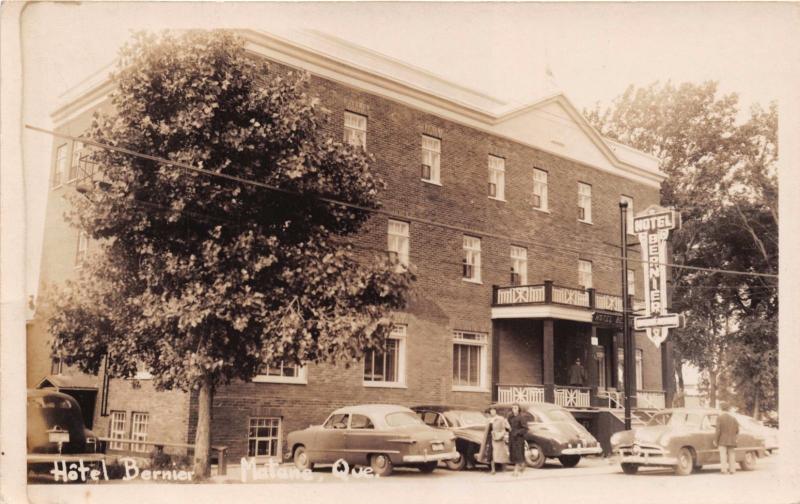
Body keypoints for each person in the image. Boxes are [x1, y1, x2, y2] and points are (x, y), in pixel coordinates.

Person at [714, 403, 740, 475]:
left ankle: (724, 470)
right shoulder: (733, 418)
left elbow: (718, 430)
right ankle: (732, 470)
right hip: (732, 440)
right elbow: (737, 430)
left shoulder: (720, 418)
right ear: (728, 409)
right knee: (731, 455)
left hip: (722, 440)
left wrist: (715, 440)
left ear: (721, 409)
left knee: (723, 455)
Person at [486, 407, 510, 474]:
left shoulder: (500, 418)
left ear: (496, 411)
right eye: (491, 411)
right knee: (492, 454)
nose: (492, 412)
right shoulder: (489, 420)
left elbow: (507, 427)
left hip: (500, 437)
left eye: (493, 410)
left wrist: (502, 433)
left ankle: (504, 468)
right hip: (491, 437)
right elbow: (487, 430)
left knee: (502, 453)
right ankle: (493, 470)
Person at [507, 403, 529, 477]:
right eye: (513, 408)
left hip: (519, 439)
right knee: (513, 454)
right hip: (512, 438)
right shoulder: (511, 417)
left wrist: (517, 432)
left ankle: (515, 471)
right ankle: (522, 465)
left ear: (519, 409)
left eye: (516, 408)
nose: (514, 410)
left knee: (518, 454)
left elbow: (525, 429)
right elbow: (508, 426)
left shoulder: (521, 417)